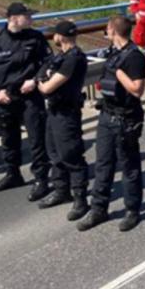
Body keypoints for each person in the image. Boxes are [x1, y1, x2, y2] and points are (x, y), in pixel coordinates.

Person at [78, 15, 145, 232]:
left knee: (129, 166)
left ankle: (132, 210)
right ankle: (98, 209)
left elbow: (138, 89)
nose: (105, 33)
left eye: (107, 29)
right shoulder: (112, 53)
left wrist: (119, 73)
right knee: (103, 164)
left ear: (113, 30)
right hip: (107, 116)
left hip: (126, 119)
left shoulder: (134, 57)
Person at [0, 2, 52, 200]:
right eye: (26, 16)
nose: (31, 19)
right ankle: (13, 174)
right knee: (9, 139)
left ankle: (41, 179)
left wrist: (35, 79)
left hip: (30, 96)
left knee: (37, 138)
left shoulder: (35, 38)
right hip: (5, 97)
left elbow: (48, 62)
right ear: (13, 19)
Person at [35, 21, 90, 221]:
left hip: (67, 113)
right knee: (54, 152)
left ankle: (80, 199)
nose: (53, 38)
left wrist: (42, 82)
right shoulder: (60, 56)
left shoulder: (73, 58)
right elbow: (42, 73)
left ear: (61, 36)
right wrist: (43, 79)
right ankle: (61, 190)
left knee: (71, 155)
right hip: (54, 111)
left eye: (55, 34)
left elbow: (46, 87)